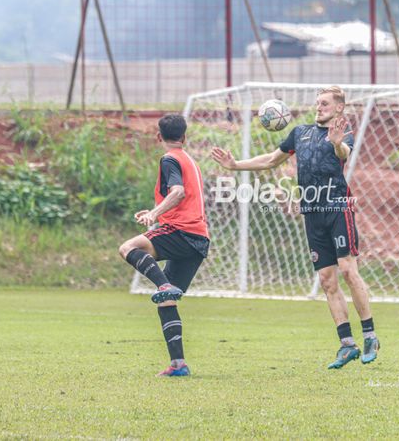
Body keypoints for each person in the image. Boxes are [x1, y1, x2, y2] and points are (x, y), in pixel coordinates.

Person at [211, 86, 379, 369]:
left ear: (339, 108)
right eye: (317, 103)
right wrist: (234, 165)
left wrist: (337, 143)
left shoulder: (342, 131)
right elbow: (271, 159)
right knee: (327, 279)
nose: (319, 107)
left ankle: (370, 335)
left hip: (337, 207)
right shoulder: (299, 132)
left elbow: (344, 152)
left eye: (325, 103)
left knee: (349, 270)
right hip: (312, 212)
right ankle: (347, 344)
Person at [119, 114, 209, 377]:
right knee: (166, 301)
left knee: (127, 248)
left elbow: (178, 192)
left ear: (158, 136)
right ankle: (178, 364)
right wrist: (158, 211)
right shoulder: (189, 160)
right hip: (199, 238)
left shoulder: (169, 159)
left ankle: (163, 284)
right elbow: (183, 195)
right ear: (184, 136)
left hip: (181, 231)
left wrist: (154, 215)